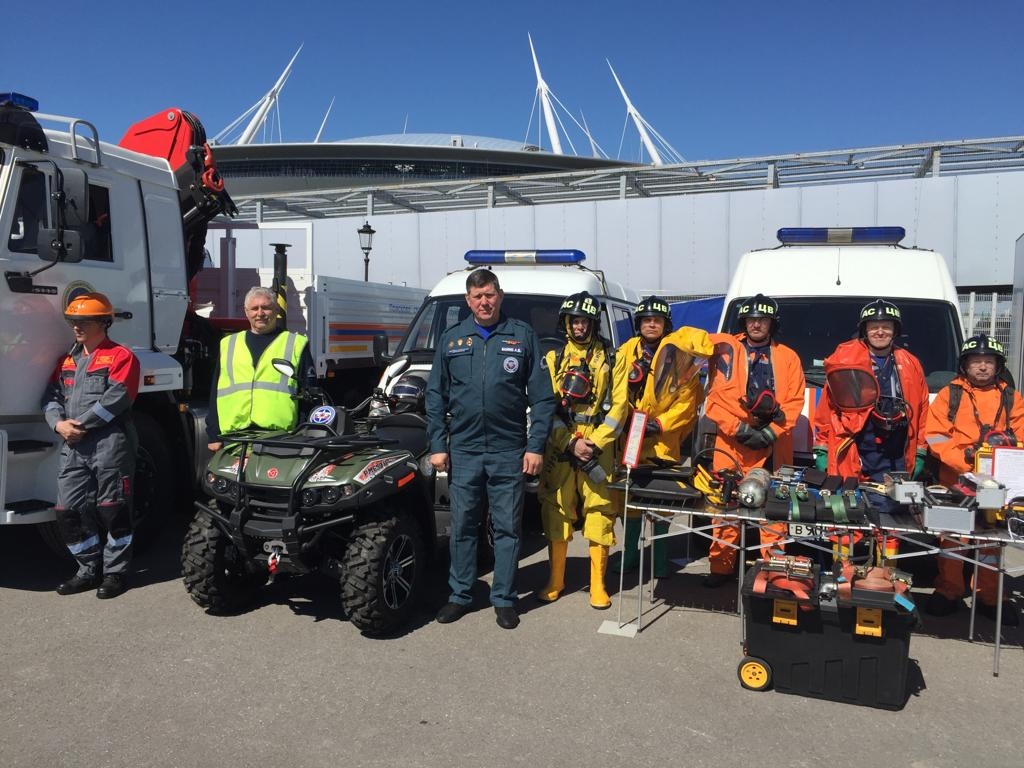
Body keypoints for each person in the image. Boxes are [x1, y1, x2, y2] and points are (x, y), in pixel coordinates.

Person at [425, 269, 555, 630]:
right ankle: (461, 595)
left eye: (490, 294)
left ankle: (504, 598)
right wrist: (438, 444)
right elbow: (435, 395)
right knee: (463, 525)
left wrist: (535, 447)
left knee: (507, 528)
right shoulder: (452, 340)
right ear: (468, 301)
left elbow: (542, 398)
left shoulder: (521, 335)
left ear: (500, 296)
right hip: (464, 449)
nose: (484, 301)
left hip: (508, 449)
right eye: (477, 296)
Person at [595, 296, 712, 577]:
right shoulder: (625, 351)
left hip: (662, 443)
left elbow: (687, 403)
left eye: (656, 320)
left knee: (663, 503)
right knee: (629, 501)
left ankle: (659, 561)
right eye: (646, 320)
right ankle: (630, 557)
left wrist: (659, 425)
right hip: (630, 441)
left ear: (665, 324)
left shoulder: (679, 354)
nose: (651, 324)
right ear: (638, 324)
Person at [812, 299, 929, 561]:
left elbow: (922, 411)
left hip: (893, 452)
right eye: (874, 326)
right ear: (864, 330)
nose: (879, 332)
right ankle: (841, 574)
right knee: (843, 515)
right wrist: (821, 446)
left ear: (895, 331)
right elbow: (827, 408)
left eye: (886, 326)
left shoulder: (910, 363)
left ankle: (883, 576)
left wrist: (920, 450)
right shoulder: (845, 358)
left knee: (890, 519)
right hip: (853, 445)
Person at [703, 294, 806, 587]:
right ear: (744, 321)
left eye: (762, 319)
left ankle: (773, 569)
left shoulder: (788, 357)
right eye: (751, 318)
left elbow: (795, 401)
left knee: (773, 511)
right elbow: (714, 400)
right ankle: (720, 568)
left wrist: (770, 433)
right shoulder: (725, 351)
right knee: (726, 507)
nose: (757, 323)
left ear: (772, 323)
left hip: (774, 444)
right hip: (731, 443)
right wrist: (740, 430)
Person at [43, 293, 140, 599]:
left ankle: (115, 573)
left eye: (83, 321)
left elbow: (117, 398)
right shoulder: (68, 360)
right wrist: (59, 424)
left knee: (113, 509)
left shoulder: (122, 357)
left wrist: (79, 426)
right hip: (73, 444)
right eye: (73, 321)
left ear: (104, 323)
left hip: (109, 443)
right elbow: (51, 397)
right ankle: (87, 571)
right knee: (68, 509)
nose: (76, 327)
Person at [925, 334, 1022, 625]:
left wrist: (1000, 459)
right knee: (953, 538)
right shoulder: (949, 394)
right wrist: (966, 461)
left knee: (991, 541)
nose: (982, 367)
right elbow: (935, 435)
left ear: (998, 365)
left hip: (997, 482)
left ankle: (990, 597)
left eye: (988, 361)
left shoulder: (1011, 398)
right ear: (965, 365)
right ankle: (949, 590)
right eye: (976, 361)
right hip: (956, 478)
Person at [536, 291, 616, 609]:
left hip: (598, 447)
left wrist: (593, 443)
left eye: (584, 321)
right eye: (574, 321)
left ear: (592, 323)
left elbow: (618, 406)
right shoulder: (553, 358)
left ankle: (598, 585)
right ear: (565, 323)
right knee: (555, 508)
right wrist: (568, 442)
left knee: (600, 512)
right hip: (562, 444)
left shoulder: (611, 358)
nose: (579, 326)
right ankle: (556, 580)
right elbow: (546, 407)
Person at [206, 286, 315, 451]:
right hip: (235, 438)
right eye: (254, 308)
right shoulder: (228, 344)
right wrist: (213, 434)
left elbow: (309, 394)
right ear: (246, 311)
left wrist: (303, 435)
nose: (260, 313)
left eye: (266, 307)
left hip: (280, 439)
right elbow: (215, 392)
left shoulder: (295, 344)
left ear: (276, 309)